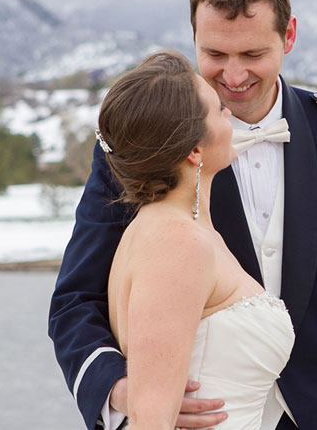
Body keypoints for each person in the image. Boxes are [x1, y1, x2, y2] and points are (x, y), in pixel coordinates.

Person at [49, 0, 317, 430]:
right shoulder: (143, 141)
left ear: (288, 36)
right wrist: (126, 391)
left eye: (252, 54)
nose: (234, 75)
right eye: (215, 55)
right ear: (195, 39)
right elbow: (77, 298)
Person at [91, 50, 294, 430]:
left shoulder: (169, 227)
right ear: (194, 151)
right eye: (218, 110)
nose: (230, 114)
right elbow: (151, 420)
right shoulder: (177, 243)